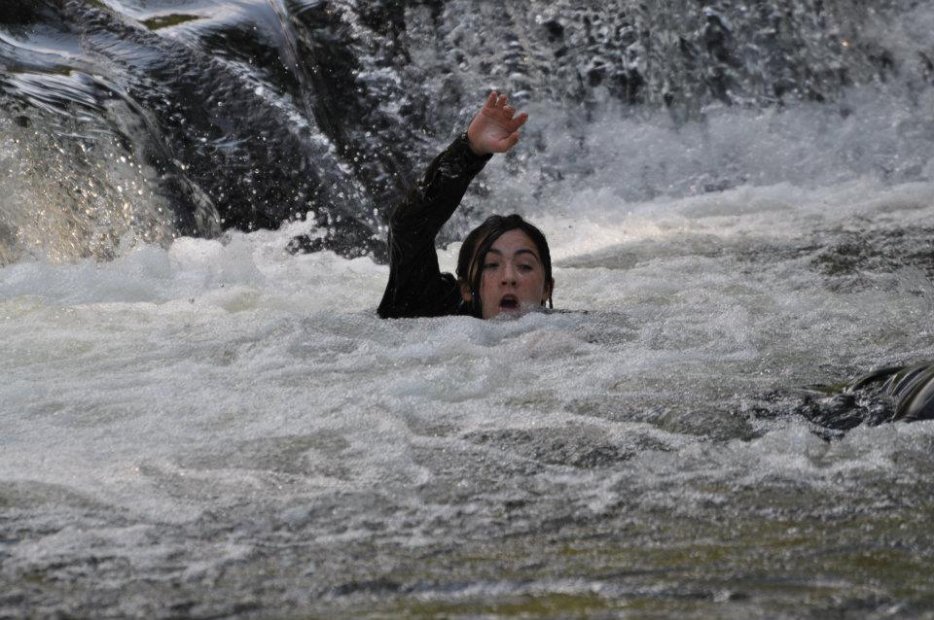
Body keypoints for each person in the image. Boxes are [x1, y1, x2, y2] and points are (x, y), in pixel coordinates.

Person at [378, 92, 554, 319]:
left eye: (525, 266)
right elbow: (409, 227)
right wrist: (469, 150)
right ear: (465, 290)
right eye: (491, 265)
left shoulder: (576, 334)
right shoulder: (431, 312)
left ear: (547, 288)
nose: (508, 277)